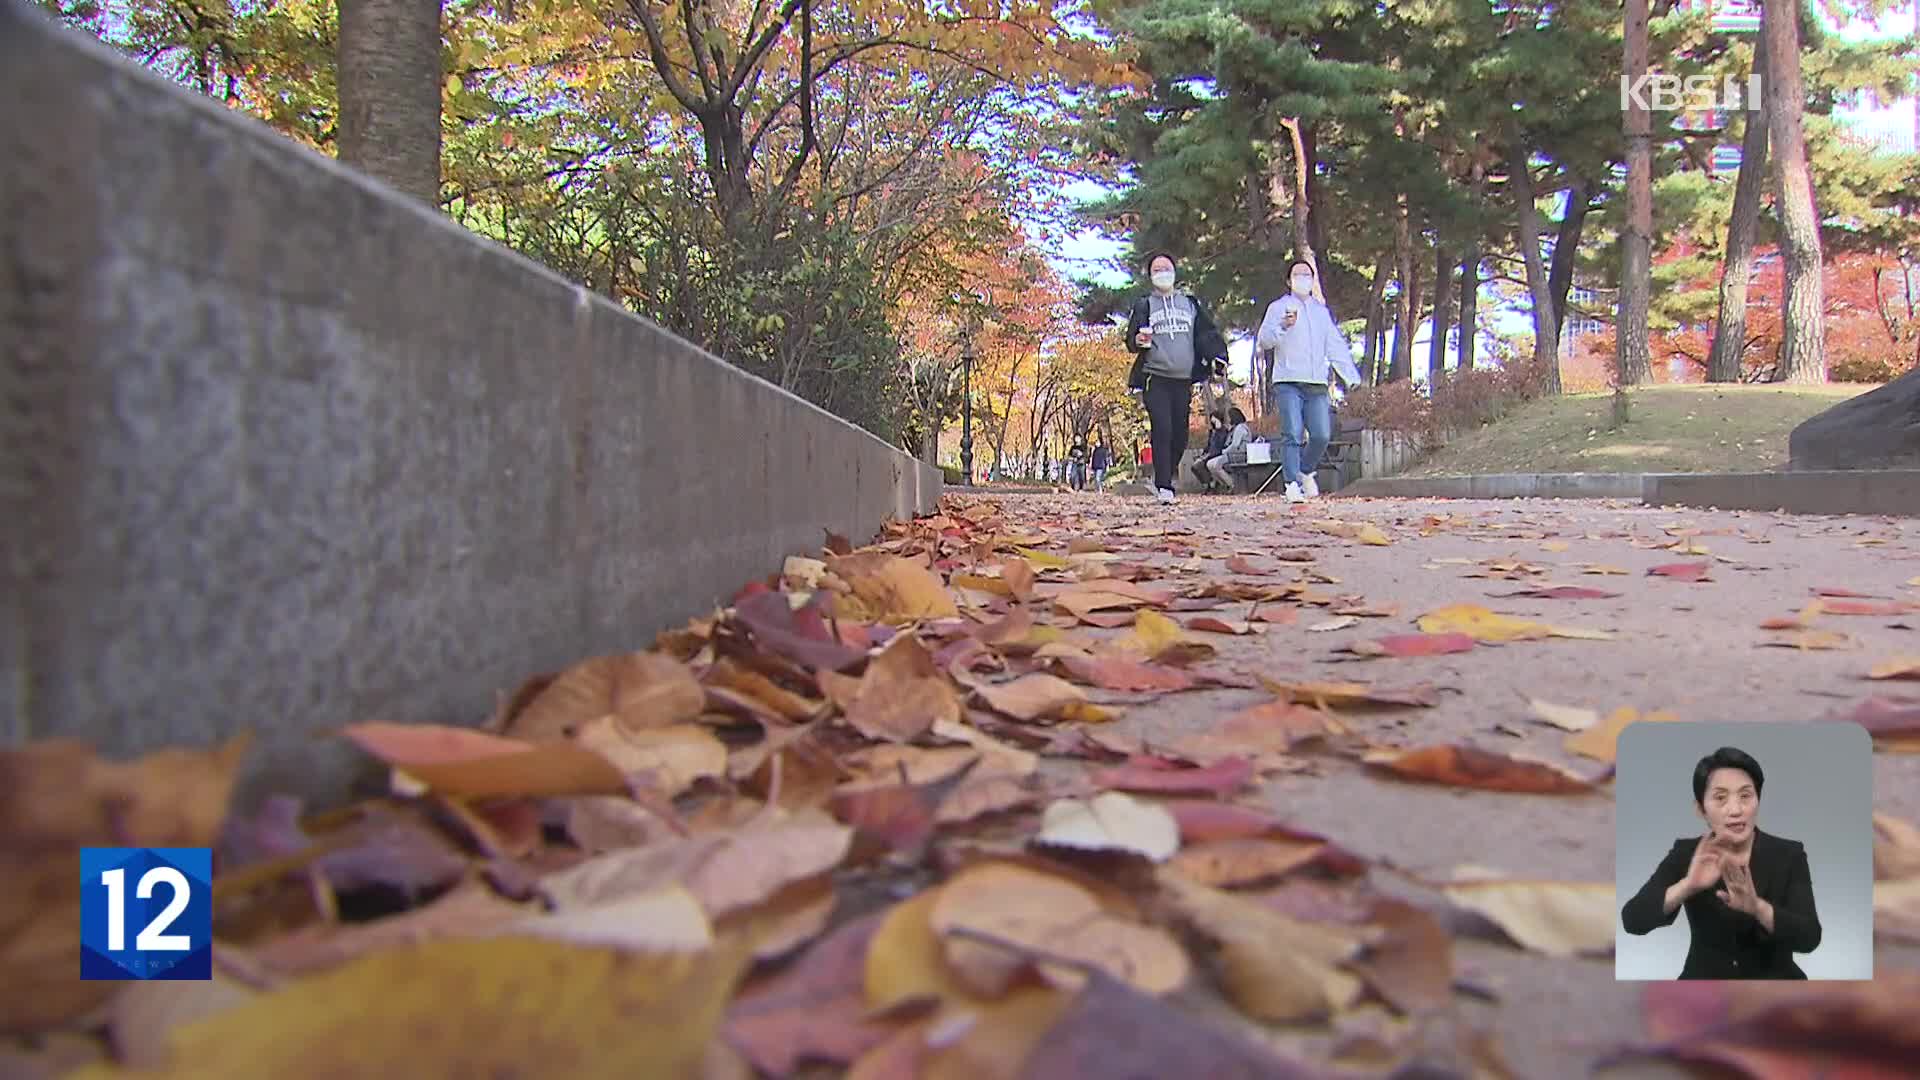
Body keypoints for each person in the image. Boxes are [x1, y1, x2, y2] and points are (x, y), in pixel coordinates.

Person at [1620, 746, 1822, 979]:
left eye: (1746, 796)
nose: (1736, 810)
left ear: (1758, 800)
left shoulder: (1789, 854)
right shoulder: (1687, 853)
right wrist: (1688, 885)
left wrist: (1757, 908)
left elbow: (1809, 938)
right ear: (1701, 809)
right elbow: (1632, 920)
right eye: (1720, 798)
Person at [1124, 253, 1229, 505]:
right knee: (1162, 427)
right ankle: (1164, 485)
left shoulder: (1189, 304)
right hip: (1155, 376)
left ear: (1174, 271)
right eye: (1157, 269)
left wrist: (1218, 356)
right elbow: (1132, 338)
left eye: (1167, 268)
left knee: (1180, 434)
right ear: (1150, 276)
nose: (1163, 272)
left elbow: (1206, 334)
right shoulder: (1145, 305)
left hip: (1183, 378)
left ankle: (1166, 472)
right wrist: (1137, 341)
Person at [1255, 261, 1362, 505]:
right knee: (1292, 432)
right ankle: (1291, 483)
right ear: (1288, 280)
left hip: (1316, 383)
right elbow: (1264, 340)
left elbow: (1334, 345)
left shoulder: (1320, 312)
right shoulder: (1278, 307)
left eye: (1307, 275)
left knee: (1321, 435)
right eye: (1297, 274)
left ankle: (1305, 470)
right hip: (1288, 381)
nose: (1302, 278)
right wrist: (1283, 325)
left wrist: (1351, 377)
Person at [1207, 407, 1252, 492]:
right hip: (1233, 454)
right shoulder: (1235, 428)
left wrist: (1224, 452)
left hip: (1239, 454)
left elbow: (1235, 445)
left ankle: (1231, 484)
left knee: (1216, 465)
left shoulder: (1240, 428)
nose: (1228, 419)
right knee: (1209, 464)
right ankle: (1224, 484)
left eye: (1229, 417)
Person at [1191, 412, 1229, 492]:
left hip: (1217, 453)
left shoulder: (1224, 431)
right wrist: (1204, 453)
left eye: (1215, 420)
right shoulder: (1212, 431)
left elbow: (1221, 443)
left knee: (1199, 465)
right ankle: (1208, 482)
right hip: (1209, 453)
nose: (1213, 422)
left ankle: (1211, 484)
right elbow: (1209, 445)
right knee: (1195, 466)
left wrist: (1219, 429)